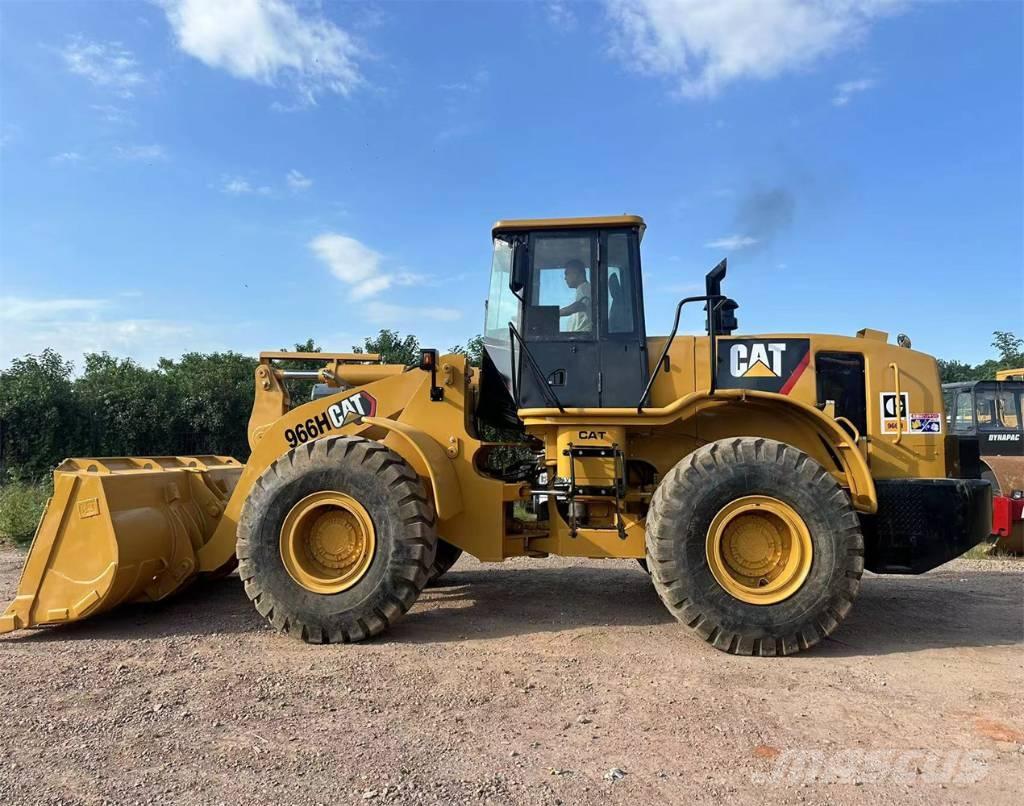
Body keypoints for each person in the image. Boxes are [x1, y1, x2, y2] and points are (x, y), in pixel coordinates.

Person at [558, 259, 591, 333]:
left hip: (583, 338)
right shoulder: (582, 289)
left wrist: (555, 313)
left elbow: (580, 305)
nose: (565, 278)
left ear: (576, 273)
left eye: (567, 274)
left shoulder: (584, 287)